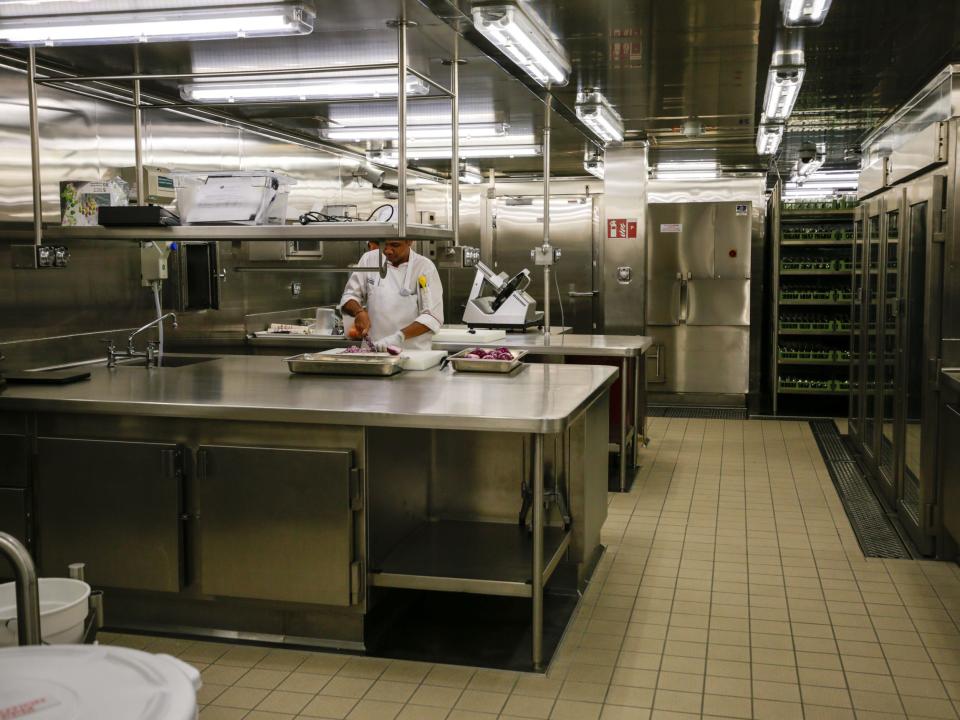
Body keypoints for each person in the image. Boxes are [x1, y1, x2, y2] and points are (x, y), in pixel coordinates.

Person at [340, 239, 443, 352]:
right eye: (384, 245)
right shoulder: (369, 259)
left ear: (409, 241)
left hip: (413, 354)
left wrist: (398, 337)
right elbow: (349, 296)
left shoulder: (424, 267)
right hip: (372, 353)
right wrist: (358, 312)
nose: (388, 251)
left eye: (395, 245)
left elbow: (432, 317)